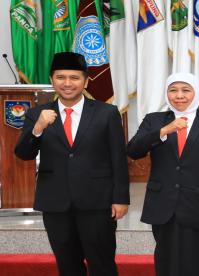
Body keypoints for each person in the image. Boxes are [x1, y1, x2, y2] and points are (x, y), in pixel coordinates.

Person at [15, 52, 130, 276]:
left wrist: (121, 198)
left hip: (97, 203)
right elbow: (23, 154)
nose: (67, 83)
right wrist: (37, 128)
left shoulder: (106, 113)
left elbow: (118, 158)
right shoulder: (37, 114)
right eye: (61, 77)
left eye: (74, 77)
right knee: (67, 265)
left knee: (102, 264)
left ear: (86, 81)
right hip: (55, 203)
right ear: (52, 80)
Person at [127, 72, 199, 276]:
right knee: (167, 262)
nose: (179, 96)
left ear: (196, 93)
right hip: (163, 206)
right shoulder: (154, 120)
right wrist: (163, 131)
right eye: (173, 90)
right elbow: (133, 150)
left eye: (186, 90)